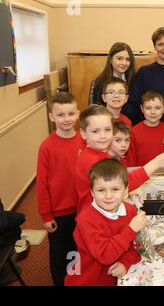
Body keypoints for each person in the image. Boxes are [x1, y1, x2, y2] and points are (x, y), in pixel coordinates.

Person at [76, 105, 164, 212]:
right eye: (95, 131)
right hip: (96, 219)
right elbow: (124, 182)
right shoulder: (91, 160)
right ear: (83, 133)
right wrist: (156, 163)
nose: (103, 135)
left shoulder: (99, 154)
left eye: (107, 129)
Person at [65, 158, 148, 286]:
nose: (108, 196)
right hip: (88, 280)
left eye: (115, 189)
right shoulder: (86, 220)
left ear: (126, 191)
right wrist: (131, 229)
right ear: (92, 192)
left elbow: (137, 245)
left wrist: (125, 262)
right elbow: (105, 255)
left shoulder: (130, 210)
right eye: (101, 190)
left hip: (114, 277)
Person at [36, 92, 85, 286]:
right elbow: (42, 183)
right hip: (58, 215)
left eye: (71, 114)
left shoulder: (84, 140)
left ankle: (76, 281)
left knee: (78, 251)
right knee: (59, 255)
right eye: (61, 115)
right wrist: (46, 216)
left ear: (78, 114)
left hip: (82, 210)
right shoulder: (46, 146)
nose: (67, 119)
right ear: (51, 116)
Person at [127, 91, 164, 167]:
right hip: (142, 176)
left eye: (157, 108)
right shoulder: (133, 132)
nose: (153, 112)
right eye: (148, 108)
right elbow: (131, 161)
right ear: (142, 109)